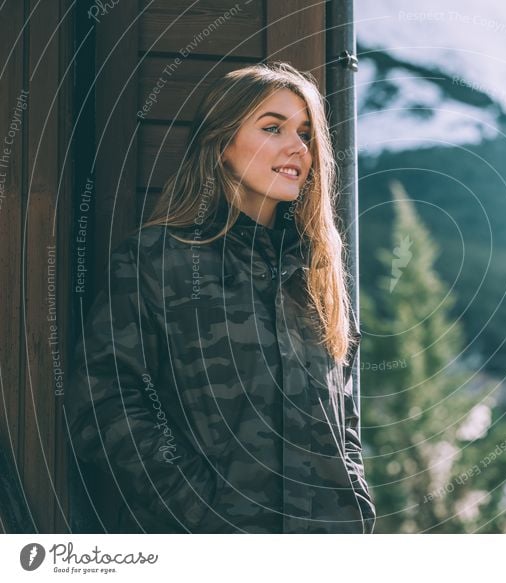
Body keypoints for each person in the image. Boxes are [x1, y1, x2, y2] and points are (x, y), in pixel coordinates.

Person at [67, 62, 376, 533]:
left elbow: (345, 416)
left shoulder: (318, 274)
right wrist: (200, 511)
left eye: (307, 134)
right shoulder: (156, 260)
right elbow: (102, 404)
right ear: (222, 143)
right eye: (273, 128)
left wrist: (355, 498)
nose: (298, 147)